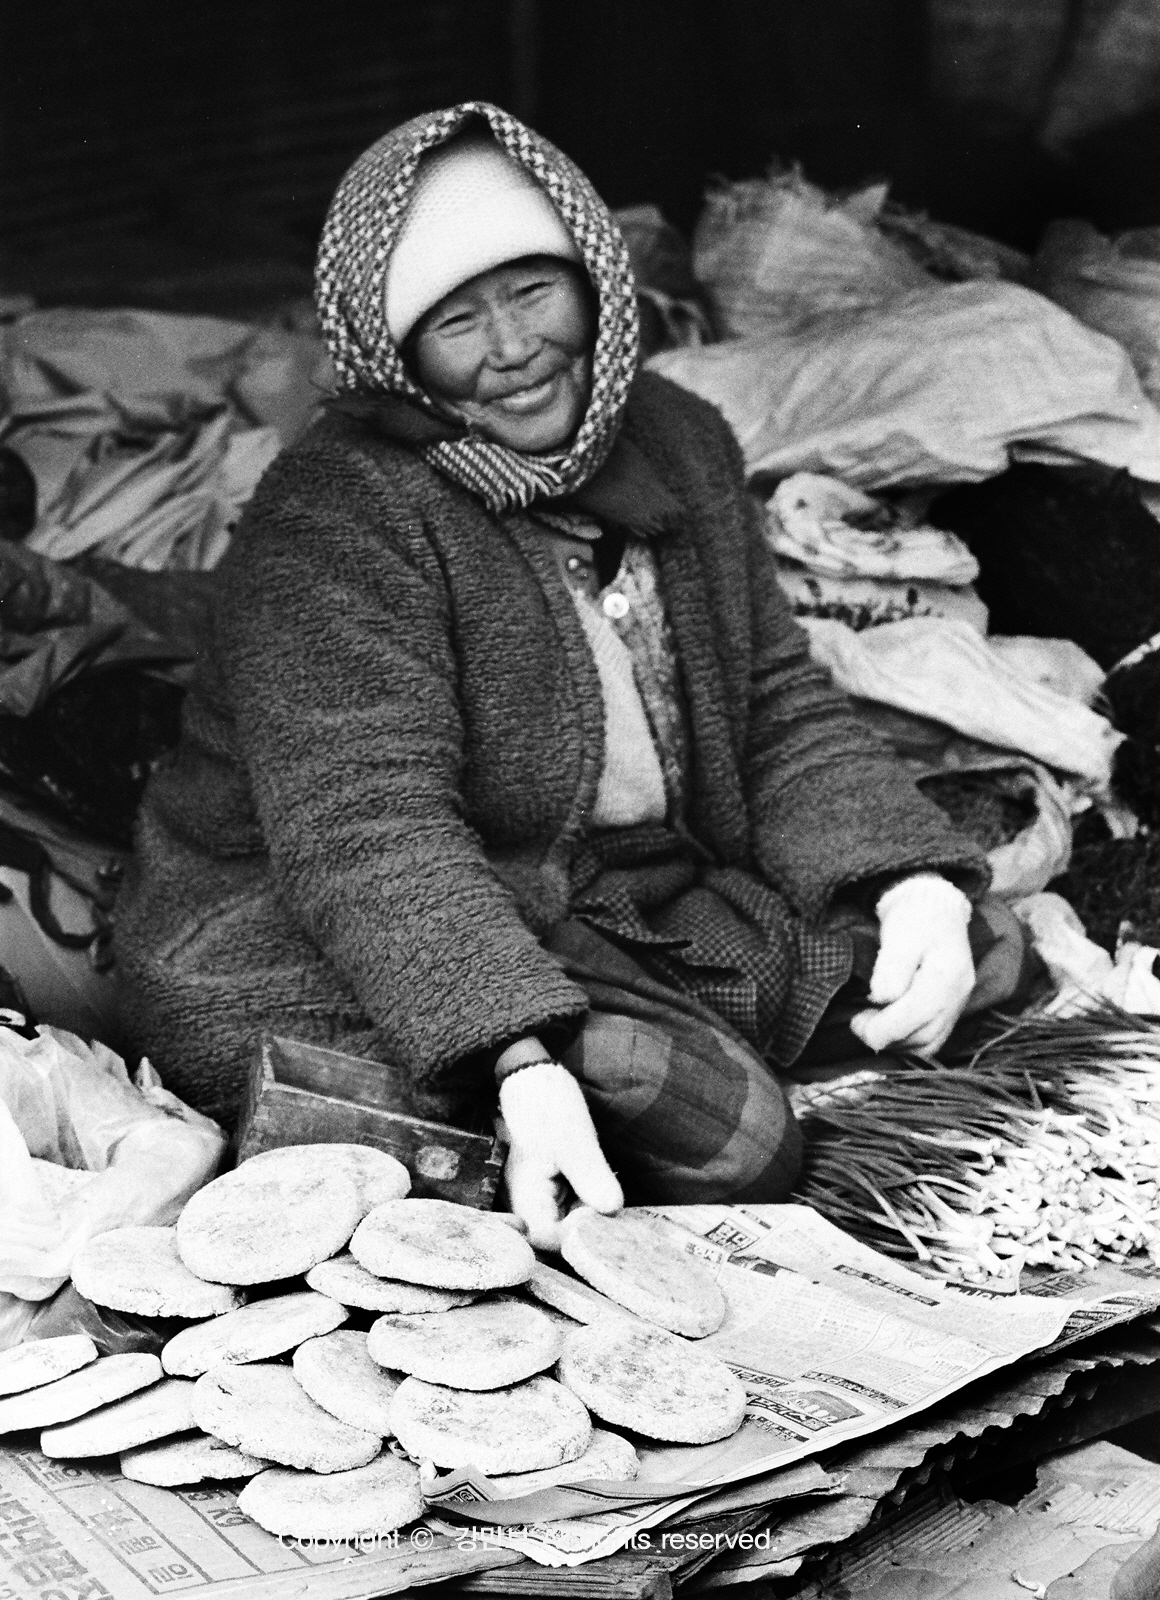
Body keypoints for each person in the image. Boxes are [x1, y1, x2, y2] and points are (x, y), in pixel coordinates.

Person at [115, 102, 1024, 1247]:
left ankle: (660, 1042)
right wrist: (512, 1048)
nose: (510, 348)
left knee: (975, 945)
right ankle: (555, 1076)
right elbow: (367, 829)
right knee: (732, 1139)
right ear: (395, 355)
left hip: (610, 888)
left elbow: (773, 707)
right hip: (334, 914)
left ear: (594, 281)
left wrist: (903, 877)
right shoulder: (337, 514)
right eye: (456, 321)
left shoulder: (678, 438)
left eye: (532, 291)